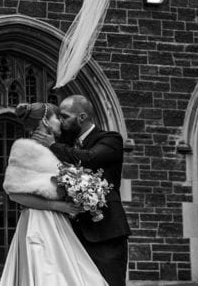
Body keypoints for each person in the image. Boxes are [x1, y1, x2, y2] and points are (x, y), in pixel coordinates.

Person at [0, 102, 108, 286]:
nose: (61, 122)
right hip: (38, 224)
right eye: (57, 117)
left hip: (59, 222)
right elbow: (14, 194)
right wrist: (57, 205)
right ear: (45, 121)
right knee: (47, 275)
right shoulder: (24, 148)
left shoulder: (56, 149)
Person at [32, 94, 131, 286]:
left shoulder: (110, 139)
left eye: (65, 116)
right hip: (71, 233)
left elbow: (89, 158)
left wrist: (52, 145)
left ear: (82, 118)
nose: (61, 121)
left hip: (105, 233)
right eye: (59, 117)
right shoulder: (66, 145)